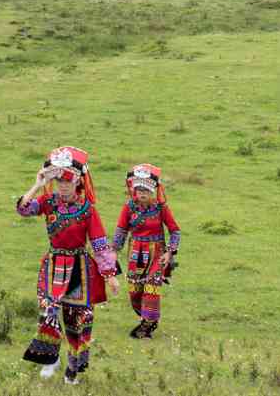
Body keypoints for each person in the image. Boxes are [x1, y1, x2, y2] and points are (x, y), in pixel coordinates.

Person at [15, 146, 121, 384]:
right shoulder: (48, 201)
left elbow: (99, 243)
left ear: (78, 182)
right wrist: (37, 185)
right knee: (48, 311)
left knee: (76, 320)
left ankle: (72, 369)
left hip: (78, 269)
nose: (63, 185)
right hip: (53, 265)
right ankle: (50, 358)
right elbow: (22, 209)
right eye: (59, 180)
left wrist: (110, 275)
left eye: (67, 180)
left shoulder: (87, 210)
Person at [113, 163, 181, 339]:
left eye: (146, 191)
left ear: (152, 191)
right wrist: (113, 251)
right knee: (135, 291)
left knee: (151, 287)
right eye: (139, 190)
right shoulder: (129, 207)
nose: (142, 194)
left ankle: (147, 325)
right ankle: (146, 317)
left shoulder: (161, 208)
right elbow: (121, 230)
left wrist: (170, 252)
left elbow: (175, 230)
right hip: (135, 254)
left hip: (157, 254)